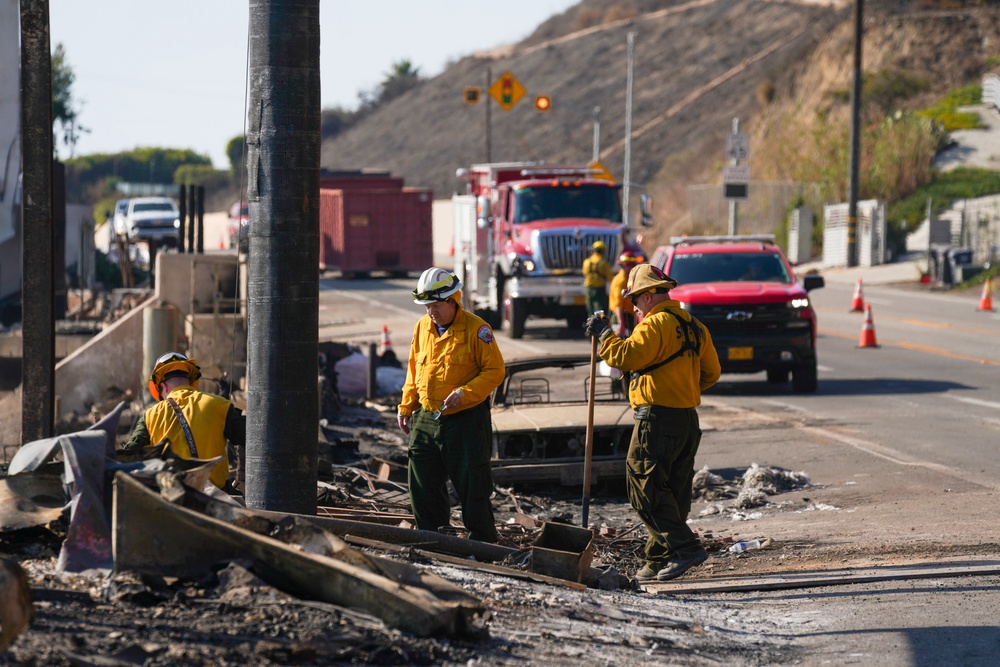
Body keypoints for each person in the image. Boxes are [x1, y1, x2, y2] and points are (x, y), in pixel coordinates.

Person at [585, 263, 721, 582]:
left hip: (657, 419)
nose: (634, 307)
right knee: (672, 491)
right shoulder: (694, 325)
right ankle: (659, 558)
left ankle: (686, 548)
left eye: (635, 300)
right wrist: (682, 388)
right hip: (687, 418)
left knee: (642, 488)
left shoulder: (655, 324)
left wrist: (604, 334)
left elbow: (625, 358)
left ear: (647, 296)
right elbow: (712, 374)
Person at [397, 267, 505, 543]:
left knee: (473, 485)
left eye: (435, 305)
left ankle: (481, 542)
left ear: (452, 300)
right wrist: (406, 405)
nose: (430, 312)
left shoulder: (477, 330)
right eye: (426, 306)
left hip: (466, 419)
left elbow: (494, 371)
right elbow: (413, 369)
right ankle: (431, 537)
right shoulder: (422, 327)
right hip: (426, 415)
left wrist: (465, 393)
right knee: (421, 482)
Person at [124, 351, 246, 490]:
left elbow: (129, 456)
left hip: (171, 496)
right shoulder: (219, 405)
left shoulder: (151, 415)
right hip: (216, 495)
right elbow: (253, 439)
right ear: (190, 381)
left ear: (163, 387)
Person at [609, 250, 644, 337]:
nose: (633, 268)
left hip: (628, 317)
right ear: (624, 266)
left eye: (634, 265)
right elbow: (618, 305)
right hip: (621, 317)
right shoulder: (621, 281)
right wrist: (621, 324)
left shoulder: (629, 278)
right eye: (631, 265)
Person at [582, 240, 614, 316]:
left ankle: (591, 325)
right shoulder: (603, 263)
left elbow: (584, 273)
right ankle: (600, 325)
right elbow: (610, 278)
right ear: (603, 251)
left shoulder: (587, 262)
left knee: (590, 309)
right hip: (599, 289)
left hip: (589, 288)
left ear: (593, 250)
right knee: (600, 310)